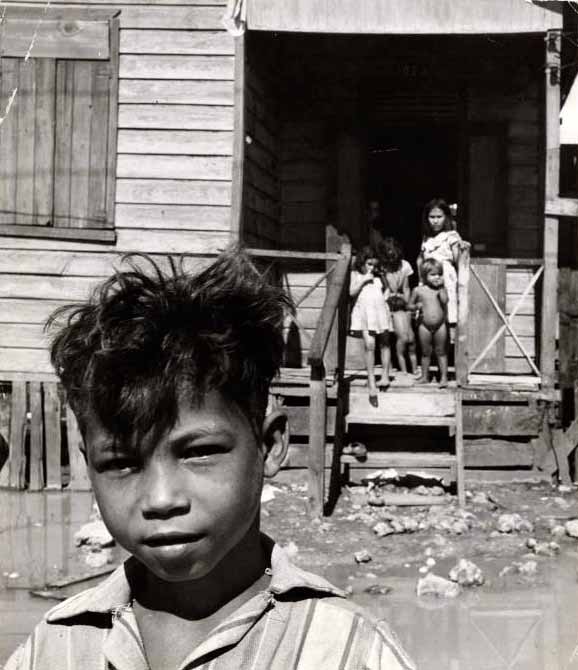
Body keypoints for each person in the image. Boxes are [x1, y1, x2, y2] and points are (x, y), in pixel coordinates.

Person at [5, 248, 415, 670]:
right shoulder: (56, 649)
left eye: (199, 453)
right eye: (121, 463)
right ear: (89, 464)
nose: (161, 500)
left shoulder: (344, 651)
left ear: (270, 445)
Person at [417, 198, 466, 342]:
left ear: (446, 218)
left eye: (439, 217)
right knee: (429, 310)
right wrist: (421, 277)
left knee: (447, 307)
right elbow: (420, 258)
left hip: (445, 277)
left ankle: (449, 348)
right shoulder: (426, 238)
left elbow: (458, 261)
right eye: (432, 217)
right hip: (428, 278)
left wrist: (462, 251)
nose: (435, 221)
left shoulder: (452, 236)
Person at [349, 246, 393, 407]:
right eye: (369, 264)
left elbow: (388, 289)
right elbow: (351, 292)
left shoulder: (379, 276)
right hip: (365, 313)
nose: (372, 268)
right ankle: (371, 381)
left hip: (380, 311)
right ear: (361, 263)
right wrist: (363, 279)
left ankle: (385, 375)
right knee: (370, 345)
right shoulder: (356, 275)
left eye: (374, 264)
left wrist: (384, 299)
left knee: (385, 343)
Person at [378, 237, 417, 375]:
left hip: (400, 301)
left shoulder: (405, 265)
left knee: (407, 337)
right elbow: (386, 288)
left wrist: (406, 305)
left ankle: (411, 368)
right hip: (386, 300)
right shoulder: (382, 267)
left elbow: (406, 288)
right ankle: (387, 367)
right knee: (386, 336)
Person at [409, 258, 449, 388]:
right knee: (426, 352)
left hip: (440, 325)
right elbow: (409, 305)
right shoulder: (418, 290)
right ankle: (425, 376)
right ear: (424, 276)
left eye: (439, 274)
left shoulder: (441, 289)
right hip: (424, 325)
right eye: (432, 274)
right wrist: (416, 307)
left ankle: (443, 377)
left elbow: (445, 301)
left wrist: (442, 287)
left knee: (441, 351)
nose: (436, 277)